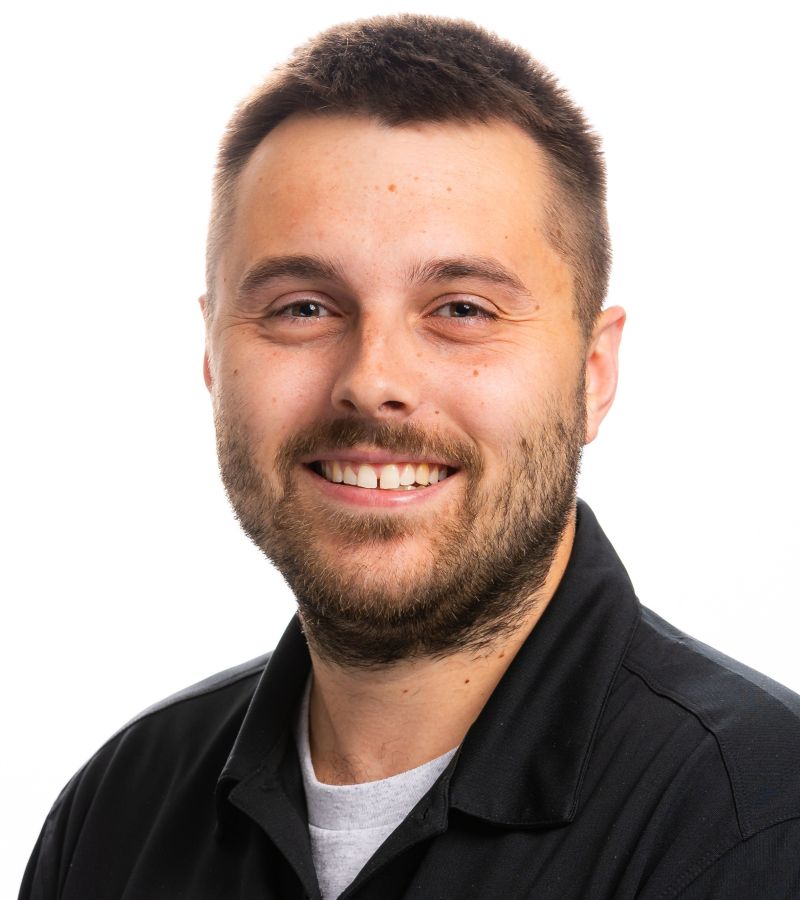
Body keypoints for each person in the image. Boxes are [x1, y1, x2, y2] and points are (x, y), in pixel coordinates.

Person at [20, 14, 800, 900]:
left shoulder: (763, 824)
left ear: (594, 373)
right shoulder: (117, 814)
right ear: (212, 355)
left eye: (463, 308)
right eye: (304, 308)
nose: (372, 381)